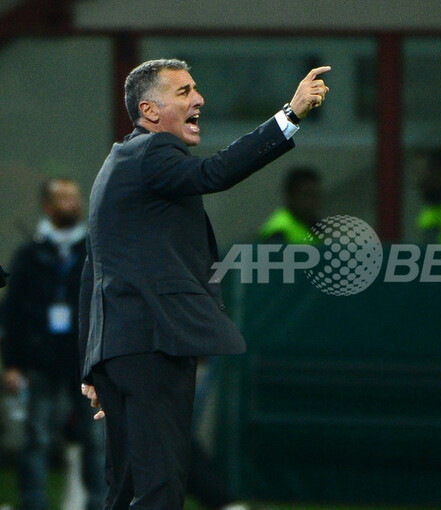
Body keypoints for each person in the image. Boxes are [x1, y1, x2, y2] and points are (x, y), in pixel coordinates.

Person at [78, 58, 329, 509]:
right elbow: (214, 173)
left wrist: (94, 362)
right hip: (153, 343)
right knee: (160, 485)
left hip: (121, 348)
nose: (199, 99)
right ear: (149, 111)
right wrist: (289, 115)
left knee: (128, 486)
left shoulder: (119, 163)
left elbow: (91, 270)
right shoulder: (154, 152)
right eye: (184, 92)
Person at [1, 178, 105, 510]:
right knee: (37, 437)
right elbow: (13, 313)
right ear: (48, 206)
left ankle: (100, 503)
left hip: (84, 359)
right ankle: (33, 503)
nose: (73, 204)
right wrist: (12, 363)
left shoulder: (93, 251)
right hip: (41, 359)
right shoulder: (30, 255)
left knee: (96, 438)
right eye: (64, 198)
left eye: (75, 197)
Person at [259, 166, 322, 243]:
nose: (314, 201)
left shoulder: (313, 224)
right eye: (308, 195)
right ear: (292, 195)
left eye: (317, 195)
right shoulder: (279, 231)